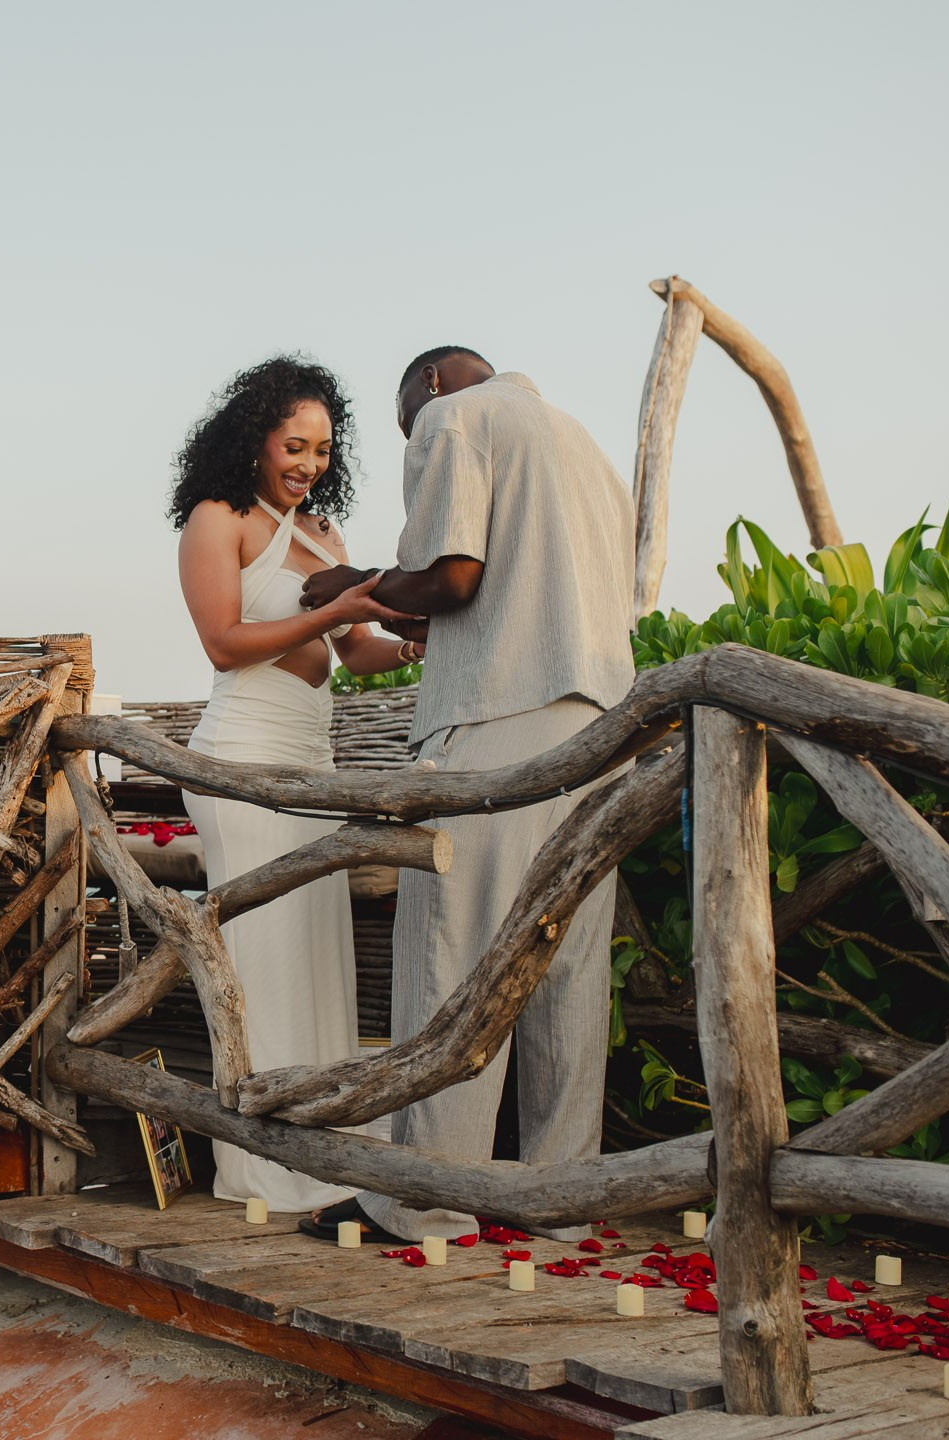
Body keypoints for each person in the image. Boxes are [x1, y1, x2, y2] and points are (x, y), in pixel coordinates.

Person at [298, 346, 636, 1244]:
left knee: (454, 957)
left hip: (498, 717)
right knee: (566, 966)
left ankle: (423, 1201)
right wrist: (383, 600)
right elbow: (464, 599)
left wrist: (351, 585)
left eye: (404, 419)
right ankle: (563, 1205)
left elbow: (453, 576)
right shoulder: (585, 449)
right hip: (602, 729)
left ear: (433, 384)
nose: (411, 438)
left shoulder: (457, 416)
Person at [170, 355, 424, 1212]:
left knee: (318, 950)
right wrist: (336, 610)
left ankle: (322, 1137)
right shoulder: (219, 518)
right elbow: (226, 642)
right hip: (240, 759)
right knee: (262, 959)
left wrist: (415, 643)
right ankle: (262, 1162)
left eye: (322, 448)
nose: (308, 463)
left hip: (313, 765)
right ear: (255, 438)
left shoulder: (327, 536)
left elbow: (352, 656)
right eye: (294, 444)